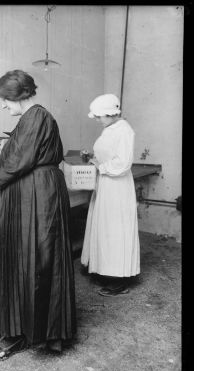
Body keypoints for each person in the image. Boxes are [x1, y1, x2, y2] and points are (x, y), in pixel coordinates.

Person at [0, 70, 77, 362]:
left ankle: (23, 334)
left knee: (35, 260)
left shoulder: (36, 117)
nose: (3, 105)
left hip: (36, 196)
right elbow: (22, 158)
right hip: (34, 193)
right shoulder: (33, 118)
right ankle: (37, 331)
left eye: (5, 99)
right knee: (36, 260)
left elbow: (18, 162)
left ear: (18, 96)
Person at [81, 94, 140, 297]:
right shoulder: (110, 129)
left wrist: (101, 166)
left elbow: (123, 163)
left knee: (115, 231)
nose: (98, 120)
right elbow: (108, 155)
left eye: (99, 116)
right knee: (104, 228)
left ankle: (118, 280)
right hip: (106, 183)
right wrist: (93, 158)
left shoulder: (124, 130)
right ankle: (105, 270)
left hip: (117, 186)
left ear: (110, 113)